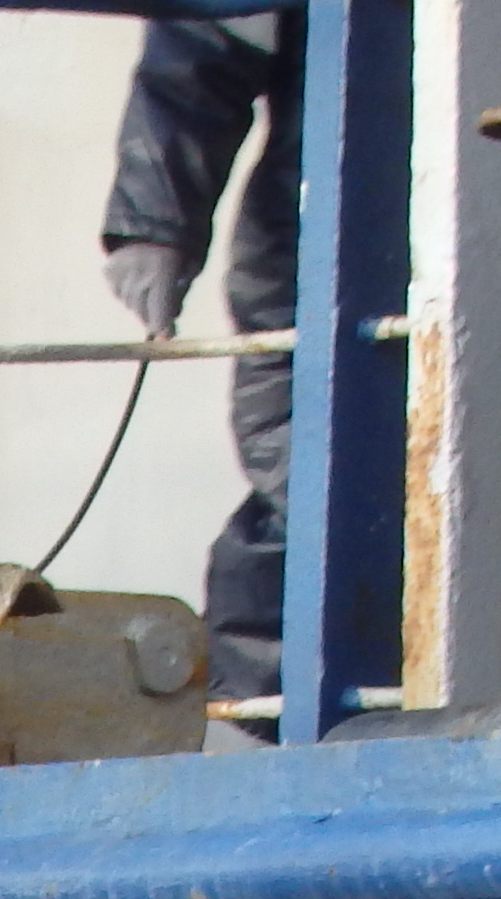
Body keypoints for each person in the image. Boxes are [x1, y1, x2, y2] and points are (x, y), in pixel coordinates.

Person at [99, 11, 299, 710]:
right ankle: (263, 719)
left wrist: (157, 221)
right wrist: (155, 220)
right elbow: (207, 38)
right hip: (330, 232)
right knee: (306, 480)